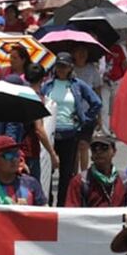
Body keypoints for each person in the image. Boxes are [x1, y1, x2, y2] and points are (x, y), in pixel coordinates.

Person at [42, 52, 102, 206]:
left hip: (70, 133)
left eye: (65, 67)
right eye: (59, 66)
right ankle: (47, 201)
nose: (61, 70)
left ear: (70, 68)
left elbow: (96, 102)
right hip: (50, 134)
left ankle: (63, 204)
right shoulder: (47, 86)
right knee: (48, 171)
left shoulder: (78, 85)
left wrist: (85, 119)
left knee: (66, 173)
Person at [65, 132, 127, 207]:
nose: (99, 152)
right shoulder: (79, 182)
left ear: (114, 151)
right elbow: (71, 213)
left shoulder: (124, 181)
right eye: (94, 148)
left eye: (104, 148)